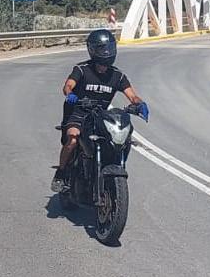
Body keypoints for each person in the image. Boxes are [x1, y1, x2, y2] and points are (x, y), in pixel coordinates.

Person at [51, 29, 148, 193]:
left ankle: (112, 168)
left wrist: (140, 104)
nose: (106, 52)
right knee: (73, 139)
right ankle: (60, 173)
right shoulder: (82, 69)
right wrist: (71, 95)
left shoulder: (117, 75)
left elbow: (132, 96)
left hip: (100, 116)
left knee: (121, 140)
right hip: (79, 112)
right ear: (92, 50)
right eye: (102, 48)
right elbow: (68, 86)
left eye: (109, 48)